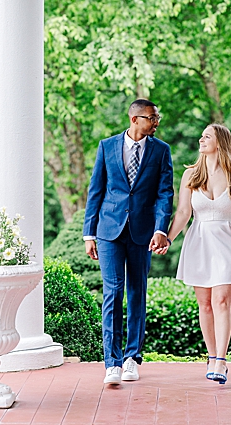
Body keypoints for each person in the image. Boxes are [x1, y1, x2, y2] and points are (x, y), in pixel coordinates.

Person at [157, 123, 231, 385]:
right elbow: (184, 213)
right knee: (205, 304)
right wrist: (168, 239)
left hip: (229, 243)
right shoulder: (190, 175)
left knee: (221, 301)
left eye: (206, 136)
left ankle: (221, 359)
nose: (201, 139)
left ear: (219, 142)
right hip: (199, 243)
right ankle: (211, 356)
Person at [83, 99, 174, 385]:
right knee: (112, 293)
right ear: (135, 118)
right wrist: (89, 233)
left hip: (142, 232)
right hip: (109, 230)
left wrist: (161, 229)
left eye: (156, 117)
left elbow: (165, 194)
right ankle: (111, 362)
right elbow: (95, 190)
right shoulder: (107, 146)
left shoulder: (161, 151)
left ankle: (132, 358)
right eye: (152, 117)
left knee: (137, 292)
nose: (156, 121)